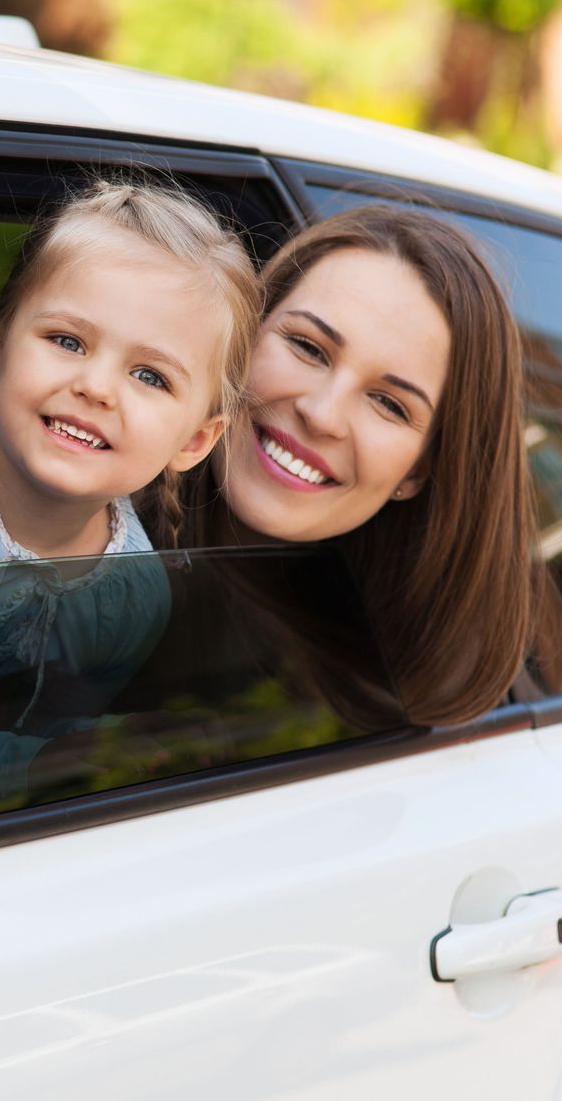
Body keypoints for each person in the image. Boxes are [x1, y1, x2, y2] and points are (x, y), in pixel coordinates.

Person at [0, 177, 259, 811]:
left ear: (196, 441)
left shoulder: (132, 600)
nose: (96, 386)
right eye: (68, 341)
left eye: (149, 375)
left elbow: (50, 747)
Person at [180, 204, 540, 726]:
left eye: (390, 404)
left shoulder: (388, 703)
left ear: (419, 471)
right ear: (242, 333)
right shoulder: (69, 512)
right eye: (307, 347)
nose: (322, 413)